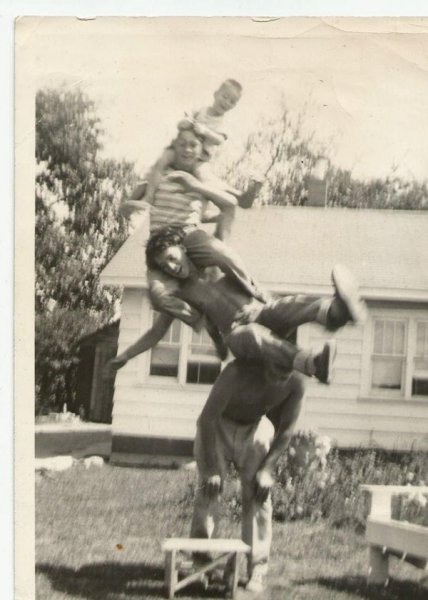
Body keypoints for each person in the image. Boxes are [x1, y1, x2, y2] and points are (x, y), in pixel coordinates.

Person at [106, 224, 367, 384]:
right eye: (165, 267)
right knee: (251, 334)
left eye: (173, 258)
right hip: (236, 335)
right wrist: (126, 356)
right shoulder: (181, 293)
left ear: (183, 249)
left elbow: (227, 240)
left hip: (259, 310)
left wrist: (260, 302)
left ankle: (338, 311)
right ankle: (313, 363)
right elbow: (156, 332)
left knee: (287, 305)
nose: (173, 268)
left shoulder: (212, 263)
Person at [124, 124, 266, 331]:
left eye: (193, 145)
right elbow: (129, 205)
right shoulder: (158, 174)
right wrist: (133, 208)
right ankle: (202, 322)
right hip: (160, 243)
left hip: (188, 233)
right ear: (174, 147)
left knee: (222, 254)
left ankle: (254, 291)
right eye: (182, 144)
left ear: (201, 152)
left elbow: (239, 202)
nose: (187, 149)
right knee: (158, 296)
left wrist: (252, 189)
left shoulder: (204, 179)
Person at [190, 360, 305, 596]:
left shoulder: (298, 382)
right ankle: (201, 564)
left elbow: (286, 430)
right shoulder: (237, 370)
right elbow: (206, 418)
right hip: (217, 424)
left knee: (259, 495)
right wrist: (211, 468)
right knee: (208, 490)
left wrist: (267, 470)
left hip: (255, 427)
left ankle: (257, 568)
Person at [135, 79, 261, 219]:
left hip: (200, 156)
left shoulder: (223, 122)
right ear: (215, 94)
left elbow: (219, 140)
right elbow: (181, 123)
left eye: (231, 101)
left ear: (234, 106)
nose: (226, 102)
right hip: (180, 149)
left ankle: (236, 197)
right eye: (224, 97)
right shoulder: (200, 110)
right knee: (160, 162)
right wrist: (186, 122)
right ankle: (149, 196)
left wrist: (205, 131)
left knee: (206, 179)